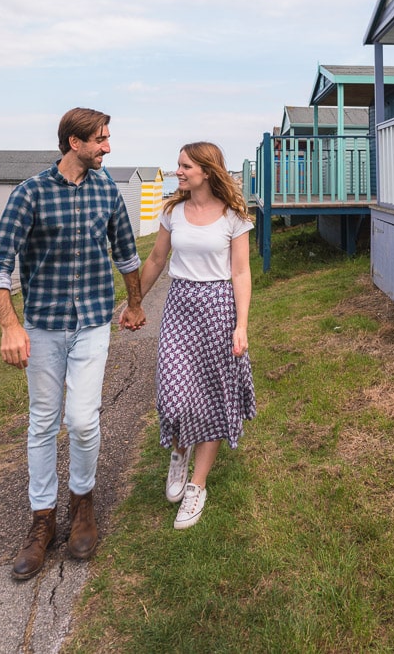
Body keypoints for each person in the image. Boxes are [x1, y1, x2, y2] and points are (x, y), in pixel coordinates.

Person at [0, 108, 146, 580]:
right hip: (44, 327)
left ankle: (83, 502)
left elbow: (127, 254)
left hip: (93, 324)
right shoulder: (29, 194)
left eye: (108, 138)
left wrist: (134, 304)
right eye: (100, 140)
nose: (107, 148)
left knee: (81, 419)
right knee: (42, 422)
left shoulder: (107, 190)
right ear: (74, 143)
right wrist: (10, 326)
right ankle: (42, 520)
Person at [131, 141, 256, 530]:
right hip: (180, 307)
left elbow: (240, 272)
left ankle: (197, 487)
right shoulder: (173, 212)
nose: (178, 172)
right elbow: (155, 259)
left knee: (215, 396)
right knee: (174, 390)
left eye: (185, 166)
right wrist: (133, 302)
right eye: (178, 166)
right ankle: (179, 451)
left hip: (218, 308)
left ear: (206, 170)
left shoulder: (233, 217)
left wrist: (241, 324)